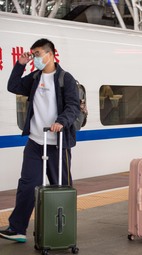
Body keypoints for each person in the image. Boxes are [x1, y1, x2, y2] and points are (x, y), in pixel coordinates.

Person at [0, 38, 79, 243]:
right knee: (28, 184)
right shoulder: (34, 77)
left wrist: (61, 121)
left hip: (58, 143)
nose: (35, 58)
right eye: (33, 54)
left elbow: (73, 107)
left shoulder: (65, 79)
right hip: (36, 141)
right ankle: (17, 228)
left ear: (50, 54)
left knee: (61, 187)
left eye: (37, 54)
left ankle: (64, 231)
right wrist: (20, 65)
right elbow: (13, 86)